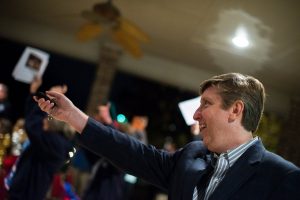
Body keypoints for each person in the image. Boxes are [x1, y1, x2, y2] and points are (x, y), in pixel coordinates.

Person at [35, 72, 300, 200]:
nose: (196, 115)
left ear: (235, 110)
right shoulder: (191, 157)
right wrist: (73, 116)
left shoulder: (283, 178)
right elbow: (132, 152)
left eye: (206, 104)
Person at [5, 77, 74, 200]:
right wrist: (33, 92)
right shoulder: (57, 141)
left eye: (47, 119)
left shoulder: (55, 144)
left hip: (26, 195)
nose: (44, 120)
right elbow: (32, 122)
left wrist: (48, 99)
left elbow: (31, 125)